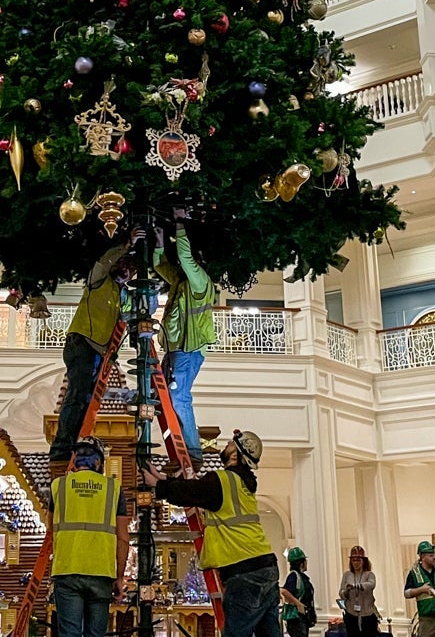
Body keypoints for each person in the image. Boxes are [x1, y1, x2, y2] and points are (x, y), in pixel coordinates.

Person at [141, 429, 280, 637]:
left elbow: (192, 492)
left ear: (236, 454)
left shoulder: (223, 480)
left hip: (244, 573)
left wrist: (157, 486)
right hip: (266, 567)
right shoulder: (242, 484)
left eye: (232, 444)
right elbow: (197, 489)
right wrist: (163, 479)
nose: (227, 446)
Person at [53, 240, 130, 464]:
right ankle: (62, 448)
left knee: (86, 399)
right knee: (77, 396)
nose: (127, 272)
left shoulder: (120, 293)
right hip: (83, 344)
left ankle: (74, 441)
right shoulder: (98, 281)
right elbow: (103, 262)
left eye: (130, 269)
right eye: (123, 265)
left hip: (99, 351)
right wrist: (125, 246)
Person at [50, 436, 131, 637]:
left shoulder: (58, 486)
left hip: (67, 570)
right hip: (101, 573)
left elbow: (49, 528)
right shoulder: (113, 488)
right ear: (99, 462)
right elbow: (123, 538)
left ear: (75, 459)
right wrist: (119, 578)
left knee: (70, 633)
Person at [157, 210, 216, 457]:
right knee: (166, 396)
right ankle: (183, 444)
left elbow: (184, 256)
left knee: (179, 396)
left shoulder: (200, 281)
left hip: (188, 350)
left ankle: (192, 451)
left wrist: (180, 222)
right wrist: (158, 239)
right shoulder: (181, 281)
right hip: (174, 348)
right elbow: (159, 265)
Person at [403, 541, 435, 637]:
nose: (434, 557)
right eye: (430, 555)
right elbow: (406, 593)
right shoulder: (414, 573)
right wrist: (421, 589)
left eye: (433, 555)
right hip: (427, 618)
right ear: (422, 557)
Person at [338, 546, 378, 637]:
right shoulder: (347, 575)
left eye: (358, 560)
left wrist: (357, 586)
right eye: (353, 560)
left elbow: (371, 584)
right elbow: (341, 593)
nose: (355, 563)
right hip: (351, 614)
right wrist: (346, 591)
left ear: (363, 561)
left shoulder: (369, 574)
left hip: (367, 614)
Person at [282, 547, 316, 637]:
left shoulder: (301, 577)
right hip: (297, 619)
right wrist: (298, 604)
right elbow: (284, 591)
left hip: (303, 617)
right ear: (302, 563)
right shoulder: (294, 576)